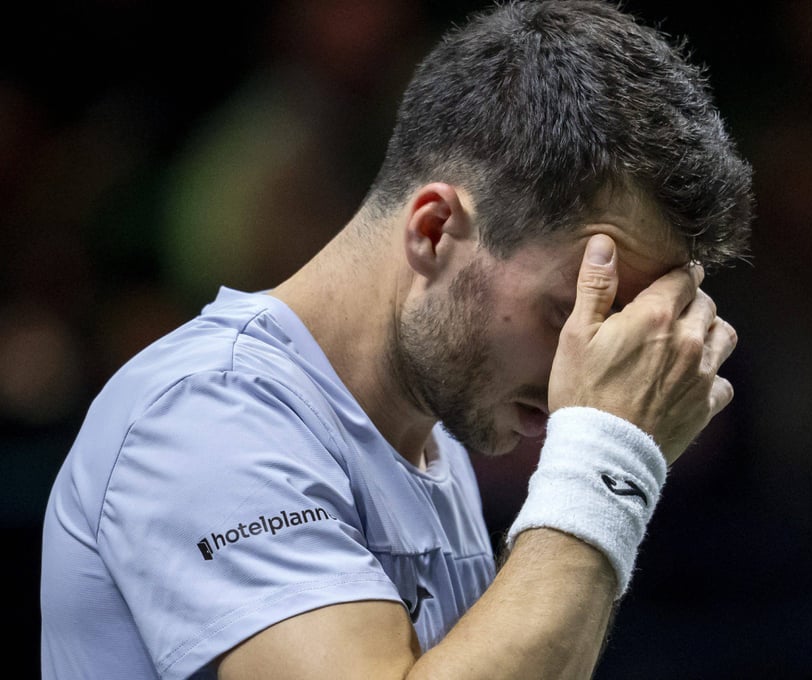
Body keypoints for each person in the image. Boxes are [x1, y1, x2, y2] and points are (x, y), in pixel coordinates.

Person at [39, 1, 755, 678]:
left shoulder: (434, 447)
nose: (587, 359)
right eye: (569, 309)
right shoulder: (205, 413)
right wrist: (606, 459)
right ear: (435, 230)